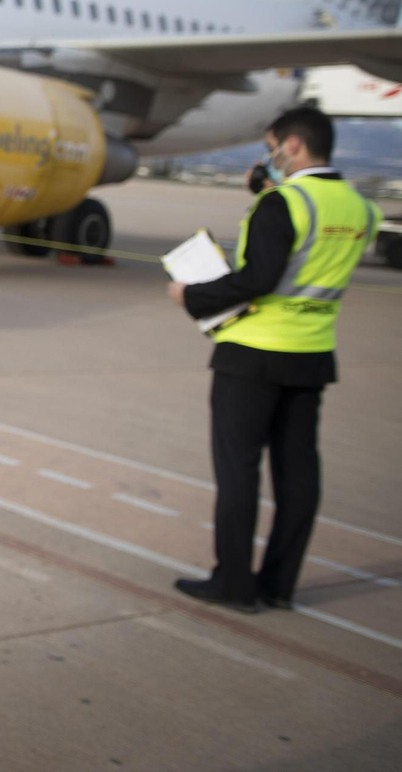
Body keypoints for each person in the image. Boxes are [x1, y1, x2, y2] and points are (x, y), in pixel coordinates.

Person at [167, 106, 379, 612]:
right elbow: (310, 250)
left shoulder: (282, 203)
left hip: (252, 354)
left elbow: (258, 278)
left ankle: (233, 584)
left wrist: (190, 295)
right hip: (312, 354)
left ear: (293, 146)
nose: (271, 157)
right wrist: (268, 196)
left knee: (239, 472)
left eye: (272, 148)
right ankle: (278, 586)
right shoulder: (361, 209)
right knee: (298, 475)